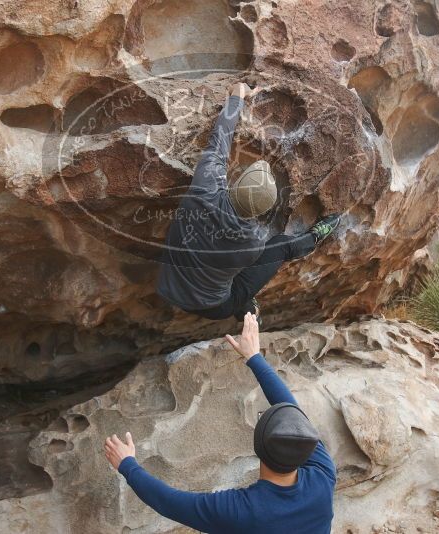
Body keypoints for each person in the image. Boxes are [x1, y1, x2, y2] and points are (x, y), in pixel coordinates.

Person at [104, 312, 336, 534]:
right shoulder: (323, 478)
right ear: (306, 449)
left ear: (259, 447)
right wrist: (254, 357)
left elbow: (170, 503)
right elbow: (295, 419)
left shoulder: (242, 511)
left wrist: (127, 464)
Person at [156, 81, 342, 323]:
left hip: (169, 288)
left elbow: (219, 141)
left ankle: (246, 305)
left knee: (228, 275)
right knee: (280, 247)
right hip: (216, 307)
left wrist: (238, 95)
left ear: (237, 182)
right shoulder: (252, 242)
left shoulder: (204, 189)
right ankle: (314, 237)